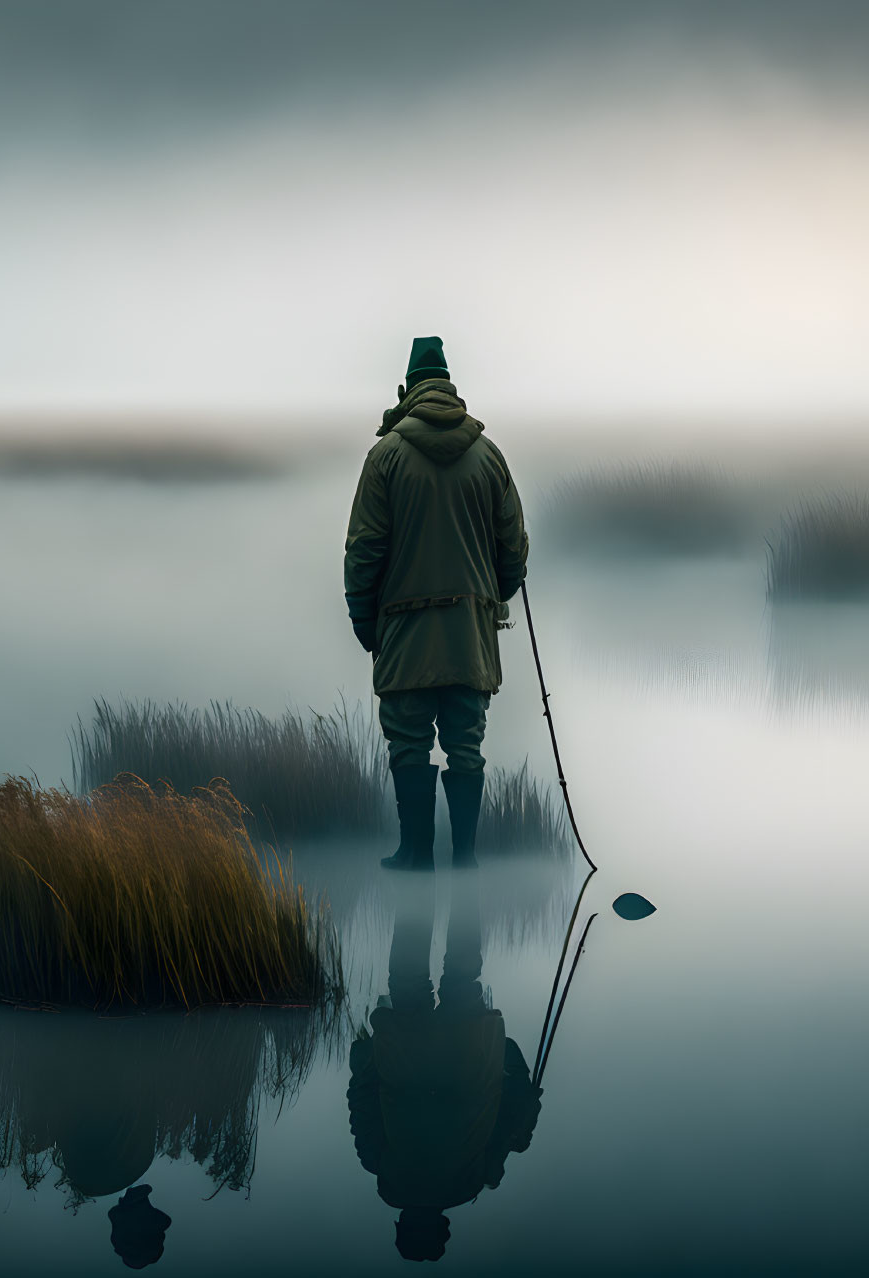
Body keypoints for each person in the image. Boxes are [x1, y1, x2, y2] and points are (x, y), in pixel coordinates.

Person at [344, 336, 530, 871]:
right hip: (470, 637)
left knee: (408, 746)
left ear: (407, 388)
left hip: (403, 636)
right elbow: (513, 550)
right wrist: (489, 598)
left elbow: (365, 548)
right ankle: (465, 861)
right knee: (465, 746)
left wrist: (363, 617)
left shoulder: (384, 458)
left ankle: (415, 858)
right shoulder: (489, 457)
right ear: (449, 385)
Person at [346, 875, 543, 1261]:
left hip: (467, 1044)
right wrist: (374, 1050)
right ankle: (417, 884)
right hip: (405, 1043)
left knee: (462, 974)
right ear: (402, 1221)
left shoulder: (477, 1179)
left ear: (443, 1224)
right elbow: (362, 1100)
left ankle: (466, 880)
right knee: (407, 975)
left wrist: (527, 1104)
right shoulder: (378, 1167)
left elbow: (512, 1115)